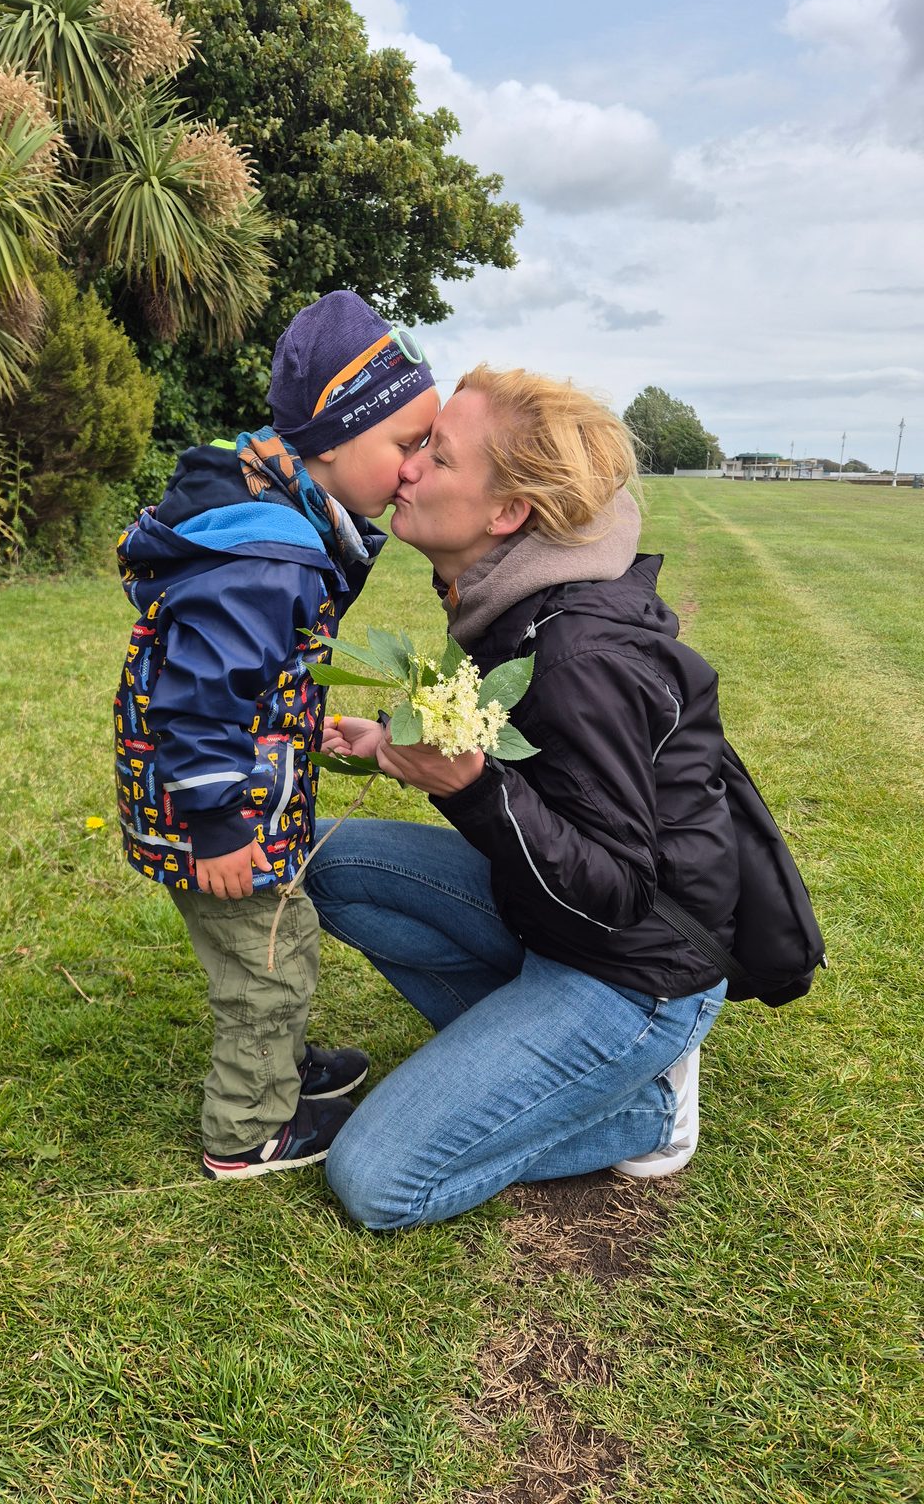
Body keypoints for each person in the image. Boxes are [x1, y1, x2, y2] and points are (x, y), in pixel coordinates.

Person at [307, 365, 738, 1229]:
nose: (408, 468)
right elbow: (528, 761)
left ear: (507, 513)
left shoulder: (579, 652)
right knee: (324, 859)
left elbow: (621, 889)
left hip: (634, 971)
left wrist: (474, 788)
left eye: (439, 456)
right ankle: (536, 1061)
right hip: (546, 920)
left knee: (377, 1180)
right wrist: (393, 746)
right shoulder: (509, 597)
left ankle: (648, 1108)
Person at [114, 291, 440, 1180]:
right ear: (333, 438)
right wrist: (219, 823)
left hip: (235, 791)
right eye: (407, 444)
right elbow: (197, 700)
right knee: (271, 960)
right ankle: (250, 1127)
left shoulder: (276, 517)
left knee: (274, 941)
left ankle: (282, 1067)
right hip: (220, 813)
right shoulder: (268, 554)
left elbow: (248, 674)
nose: (417, 468)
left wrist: (297, 718)